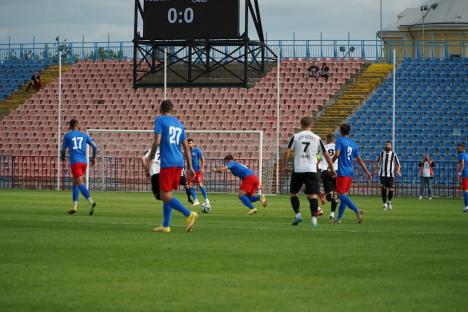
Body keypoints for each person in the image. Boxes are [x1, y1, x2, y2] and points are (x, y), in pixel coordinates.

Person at [147, 100, 198, 233]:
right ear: (172, 110)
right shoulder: (179, 124)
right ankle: (166, 225)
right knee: (168, 193)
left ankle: (189, 214)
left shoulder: (160, 120)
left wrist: (150, 158)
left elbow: (157, 141)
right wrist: (190, 167)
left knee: (164, 195)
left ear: (160, 109)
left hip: (168, 162)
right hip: (179, 161)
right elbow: (186, 147)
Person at [282, 117, 336, 227]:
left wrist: (284, 165)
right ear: (311, 125)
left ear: (301, 124)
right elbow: (326, 155)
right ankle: (314, 220)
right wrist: (333, 169)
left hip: (298, 169)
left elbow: (287, 151)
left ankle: (298, 214)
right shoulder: (317, 138)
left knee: (293, 194)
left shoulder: (296, 136)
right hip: (311, 169)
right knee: (313, 196)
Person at [331, 124, 372, 224]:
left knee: (340, 195)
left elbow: (337, 154)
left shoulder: (340, 140)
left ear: (340, 131)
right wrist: (367, 171)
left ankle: (357, 210)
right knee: (344, 195)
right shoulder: (353, 144)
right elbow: (359, 159)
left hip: (342, 172)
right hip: (350, 172)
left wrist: (330, 163)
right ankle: (339, 219)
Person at [60, 119, 97, 215]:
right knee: (75, 183)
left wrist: (63, 159)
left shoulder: (67, 136)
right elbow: (95, 146)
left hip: (75, 162)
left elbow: (63, 149)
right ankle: (74, 207)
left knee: (79, 182)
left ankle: (91, 201)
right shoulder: (84, 135)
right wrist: (93, 158)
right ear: (78, 125)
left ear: (70, 127)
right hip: (84, 163)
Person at [317, 133, 339, 220]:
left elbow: (318, 159)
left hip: (325, 171)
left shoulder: (323, 147)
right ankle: (332, 213)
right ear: (334, 140)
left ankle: (325, 196)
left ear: (327, 139)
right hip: (337, 171)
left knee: (329, 195)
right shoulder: (338, 147)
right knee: (335, 194)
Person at [376, 141, 401, 211]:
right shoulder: (381, 154)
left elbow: (398, 164)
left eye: (388, 145)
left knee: (391, 189)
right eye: (386, 145)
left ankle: (389, 201)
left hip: (391, 175)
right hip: (382, 175)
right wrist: (376, 169)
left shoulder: (394, 155)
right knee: (383, 189)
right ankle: (384, 203)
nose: (387, 146)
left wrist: (398, 171)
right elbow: (378, 163)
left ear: (391, 146)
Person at [187, 138, 210, 207]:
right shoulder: (186, 151)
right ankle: (196, 200)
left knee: (200, 185)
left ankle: (206, 199)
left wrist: (202, 167)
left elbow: (202, 158)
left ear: (193, 143)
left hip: (197, 171)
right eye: (188, 143)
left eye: (190, 143)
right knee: (190, 186)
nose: (189, 144)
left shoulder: (196, 150)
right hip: (190, 172)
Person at [456, 143, 468, 212]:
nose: (458, 149)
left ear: (462, 148)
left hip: (466, 175)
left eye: (459, 148)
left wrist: (459, 173)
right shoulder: (467, 155)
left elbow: (462, 164)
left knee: (466, 191)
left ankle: (466, 206)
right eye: (457, 148)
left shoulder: (461, 155)